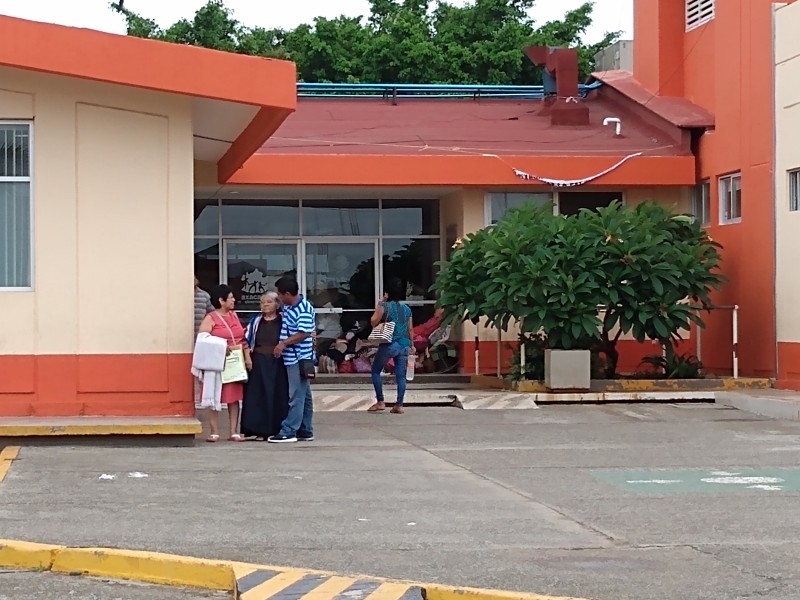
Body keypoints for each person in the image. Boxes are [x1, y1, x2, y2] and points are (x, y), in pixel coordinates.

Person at [198, 284, 250, 443]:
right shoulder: (210, 318)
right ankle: (214, 431)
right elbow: (203, 339)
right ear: (221, 300)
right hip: (217, 362)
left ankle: (233, 431)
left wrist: (247, 357)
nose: (234, 300)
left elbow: (242, 339)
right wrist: (222, 347)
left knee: (233, 397)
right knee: (214, 394)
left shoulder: (234, 316)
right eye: (230, 297)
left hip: (234, 361)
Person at [268, 276, 316, 443]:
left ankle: (289, 430)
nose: (279, 298)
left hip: (299, 357)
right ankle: (306, 429)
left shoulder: (303, 308)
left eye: (280, 295)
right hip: (293, 357)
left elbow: (303, 333)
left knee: (296, 394)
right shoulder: (289, 307)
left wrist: (283, 344)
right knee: (305, 395)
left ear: (288, 294)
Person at [240, 292, 289, 441]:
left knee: (276, 395)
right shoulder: (255, 321)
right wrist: (248, 358)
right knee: (257, 396)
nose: (265, 305)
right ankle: (258, 430)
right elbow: (246, 341)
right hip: (258, 362)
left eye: (269, 302)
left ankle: (275, 429)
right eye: (262, 302)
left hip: (277, 362)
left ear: (277, 304)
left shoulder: (284, 320)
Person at [367, 278, 415, 414]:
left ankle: (380, 401)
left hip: (390, 343)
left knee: (376, 370)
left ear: (387, 293)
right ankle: (399, 405)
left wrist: (380, 303)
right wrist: (412, 345)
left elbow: (373, 321)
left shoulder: (385, 306)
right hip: (404, 344)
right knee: (401, 375)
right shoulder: (407, 309)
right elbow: (410, 329)